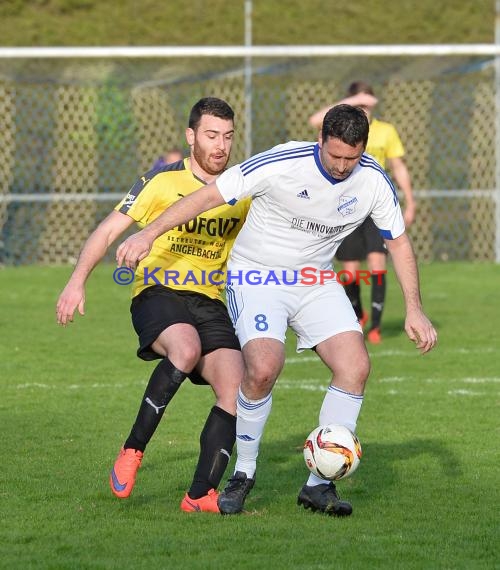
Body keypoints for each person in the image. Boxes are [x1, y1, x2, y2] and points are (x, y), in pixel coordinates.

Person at [115, 104, 437, 517]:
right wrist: (150, 233)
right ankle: (243, 475)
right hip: (258, 277)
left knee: (355, 366)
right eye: (334, 155)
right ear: (320, 140)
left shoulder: (373, 180)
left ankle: (319, 486)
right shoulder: (281, 163)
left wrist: (415, 309)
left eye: (351, 158)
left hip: (316, 280)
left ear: (363, 150)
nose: (341, 167)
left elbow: (399, 242)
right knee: (264, 366)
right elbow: (206, 197)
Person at [56, 97, 249, 513]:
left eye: (228, 137)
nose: (221, 146)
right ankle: (132, 451)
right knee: (185, 348)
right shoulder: (161, 181)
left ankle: (199, 495)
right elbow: (108, 232)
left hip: (210, 301)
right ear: (191, 136)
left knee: (236, 388)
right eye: (212, 135)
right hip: (157, 292)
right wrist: (76, 282)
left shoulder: (240, 189)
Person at [309, 81, 417, 344]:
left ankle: (376, 328)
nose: (365, 109)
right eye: (360, 104)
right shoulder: (338, 128)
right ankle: (358, 314)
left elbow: (398, 165)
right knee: (350, 271)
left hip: (374, 208)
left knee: (378, 264)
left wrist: (410, 202)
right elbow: (315, 120)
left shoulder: (385, 131)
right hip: (344, 207)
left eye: (368, 104)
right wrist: (351, 102)